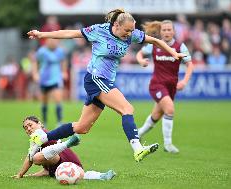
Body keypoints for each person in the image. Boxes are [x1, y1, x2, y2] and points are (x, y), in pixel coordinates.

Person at [27, 9, 186, 162]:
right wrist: (42, 34)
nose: (129, 34)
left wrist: (174, 53)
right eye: (127, 30)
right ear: (116, 25)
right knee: (127, 109)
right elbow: (70, 33)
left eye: (132, 31)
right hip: (96, 78)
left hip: (105, 80)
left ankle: (42, 138)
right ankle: (137, 148)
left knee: (82, 127)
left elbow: (155, 40)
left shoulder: (131, 35)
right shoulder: (99, 30)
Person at [136, 20, 194, 153]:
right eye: (164, 30)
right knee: (169, 109)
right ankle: (168, 145)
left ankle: (138, 134)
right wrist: (140, 60)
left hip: (171, 87)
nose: (167, 32)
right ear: (160, 32)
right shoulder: (155, 45)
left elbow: (190, 64)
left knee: (156, 115)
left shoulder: (180, 47)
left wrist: (184, 81)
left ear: (174, 32)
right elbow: (139, 53)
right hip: (157, 85)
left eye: (169, 30)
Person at [13, 116, 116, 181]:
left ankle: (67, 143)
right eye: (26, 128)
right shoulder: (40, 136)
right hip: (64, 164)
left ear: (39, 123)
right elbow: (46, 170)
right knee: (81, 175)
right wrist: (26, 176)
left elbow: (30, 158)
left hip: (65, 159)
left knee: (35, 158)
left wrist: (20, 174)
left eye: (30, 125)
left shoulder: (39, 134)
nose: (29, 129)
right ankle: (102, 176)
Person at [32, 38, 68, 128]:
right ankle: (44, 122)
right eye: (51, 41)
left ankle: (59, 122)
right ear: (47, 42)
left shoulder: (60, 51)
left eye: (55, 41)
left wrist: (64, 71)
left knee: (58, 99)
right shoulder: (42, 51)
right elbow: (35, 62)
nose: (54, 43)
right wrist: (35, 73)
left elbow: (64, 61)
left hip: (56, 79)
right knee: (44, 102)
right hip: (44, 79)